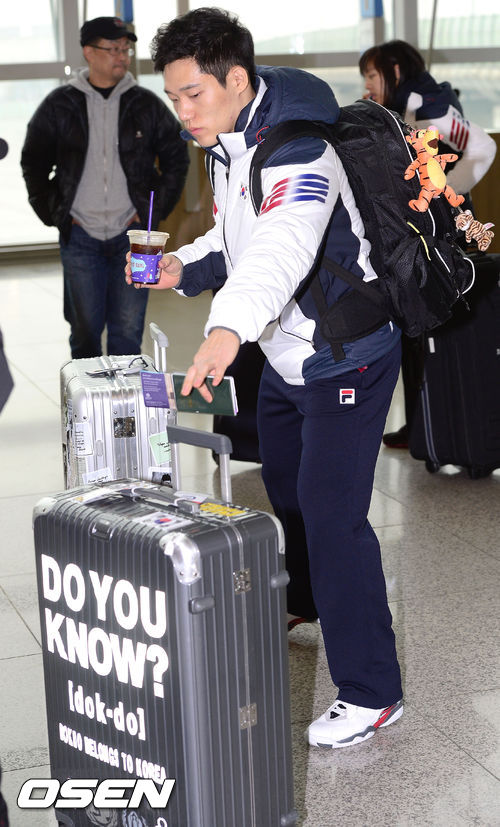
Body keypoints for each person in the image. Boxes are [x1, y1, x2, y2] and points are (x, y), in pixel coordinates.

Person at [126, 7, 403, 749]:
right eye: (174, 97)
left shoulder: (301, 150)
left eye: (193, 95)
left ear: (239, 81)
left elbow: (282, 244)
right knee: (284, 482)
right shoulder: (231, 143)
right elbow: (237, 234)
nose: (183, 112)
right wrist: (183, 265)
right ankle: (305, 597)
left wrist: (225, 329)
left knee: (332, 512)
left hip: (344, 352)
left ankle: (373, 690)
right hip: (287, 353)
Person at [21, 16, 189, 359]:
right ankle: (86, 395)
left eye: (126, 49)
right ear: (88, 52)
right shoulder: (60, 105)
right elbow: (33, 162)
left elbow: (177, 158)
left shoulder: (145, 104)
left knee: (127, 333)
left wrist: (151, 211)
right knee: (84, 333)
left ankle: (123, 397)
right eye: (113, 49)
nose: (122, 56)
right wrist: (56, 213)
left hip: (134, 237)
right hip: (80, 236)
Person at [359, 39, 496, 448]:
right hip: (424, 233)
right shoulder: (407, 106)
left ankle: (431, 427)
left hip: (442, 237)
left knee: (427, 328)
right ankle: (425, 427)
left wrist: (445, 194)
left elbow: (483, 147)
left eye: (372, 75)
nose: (367, 84)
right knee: (418, 330)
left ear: (395, 70)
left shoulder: (429, 106)